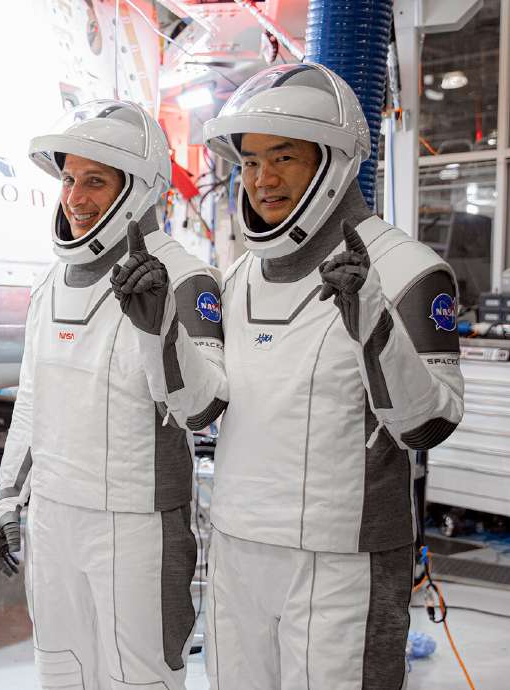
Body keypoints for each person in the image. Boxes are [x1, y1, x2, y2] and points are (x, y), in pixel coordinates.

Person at [198, 63, 464, 688]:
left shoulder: (409, 272)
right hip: (237, 545)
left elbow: (430, 423)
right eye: (252, 161)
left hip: (343, 560)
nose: (263, 180)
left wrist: (375, 325)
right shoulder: (239, 277)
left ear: (334, 162)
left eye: (283, 158)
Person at [0, 99, 226, 690]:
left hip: (137, 528)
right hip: (56, 522)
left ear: (137, 189)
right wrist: (6, 503)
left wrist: (158, 322)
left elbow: (202, 408)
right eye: (68, 178)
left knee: (139, 680)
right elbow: (32, 404)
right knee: (60, 674)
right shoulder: (50, 284)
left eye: (94, 181)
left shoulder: (184, 277)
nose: (75, 197)